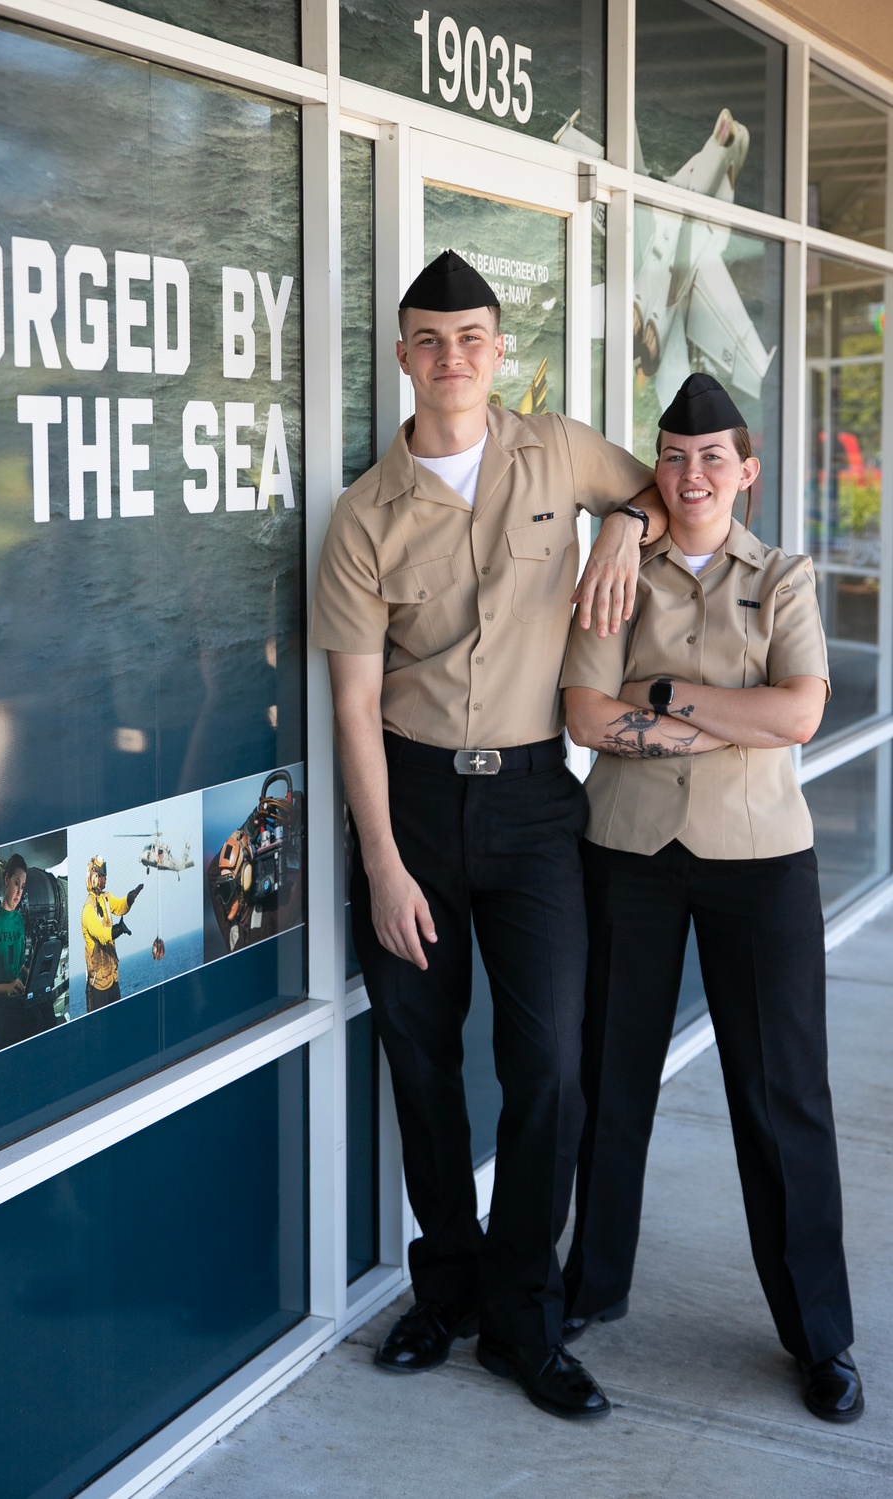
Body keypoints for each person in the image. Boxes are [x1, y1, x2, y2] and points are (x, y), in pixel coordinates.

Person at [311, 249, 664, 1419]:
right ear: (404, 355)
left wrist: (623, 528)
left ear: (498, 349)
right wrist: (379, 864)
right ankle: (445, 1291)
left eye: (471, 337)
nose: (452, 356)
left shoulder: (558, 451)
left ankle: (522, 1313)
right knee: (419, 1058)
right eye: (429, 338)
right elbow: (354, 703)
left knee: (549, 1062)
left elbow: (661, 490)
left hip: (531, 803)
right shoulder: (364, 514)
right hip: (408, 802)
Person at [559, 372, 863, 1424]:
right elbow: (587, 715)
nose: (692, 475)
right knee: (608, 1078)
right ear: (660, 465)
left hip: (759, 856)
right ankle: (590, 1287)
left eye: (711, 457)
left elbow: (797, 714)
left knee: (782, 1098)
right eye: (674, 456)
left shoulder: (783, 574)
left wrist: (665, 697)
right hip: (627, 848)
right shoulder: (617, 568)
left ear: (746, 469)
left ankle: (818, 1333)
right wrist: (719, 718)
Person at [0, 853, 57, 1049]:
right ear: (6, 880)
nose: (19, 892)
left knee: (48, 1012)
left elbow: (20, 965)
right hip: (2, 1007)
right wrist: (7, 987)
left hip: (18, 998)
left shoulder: (19, 921)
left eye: (22, 887)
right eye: (16, 884)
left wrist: (37, 979)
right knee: (36, 1022)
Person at [81, 855, 143, 1011]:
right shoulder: (88, 910)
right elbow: (102, 935)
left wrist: (130, 898)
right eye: (102, 876)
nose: (105, 879)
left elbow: (119, 906)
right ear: (94, 877)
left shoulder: (105, 898)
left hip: (112, 979)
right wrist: (119, 929)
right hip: (98, 986)